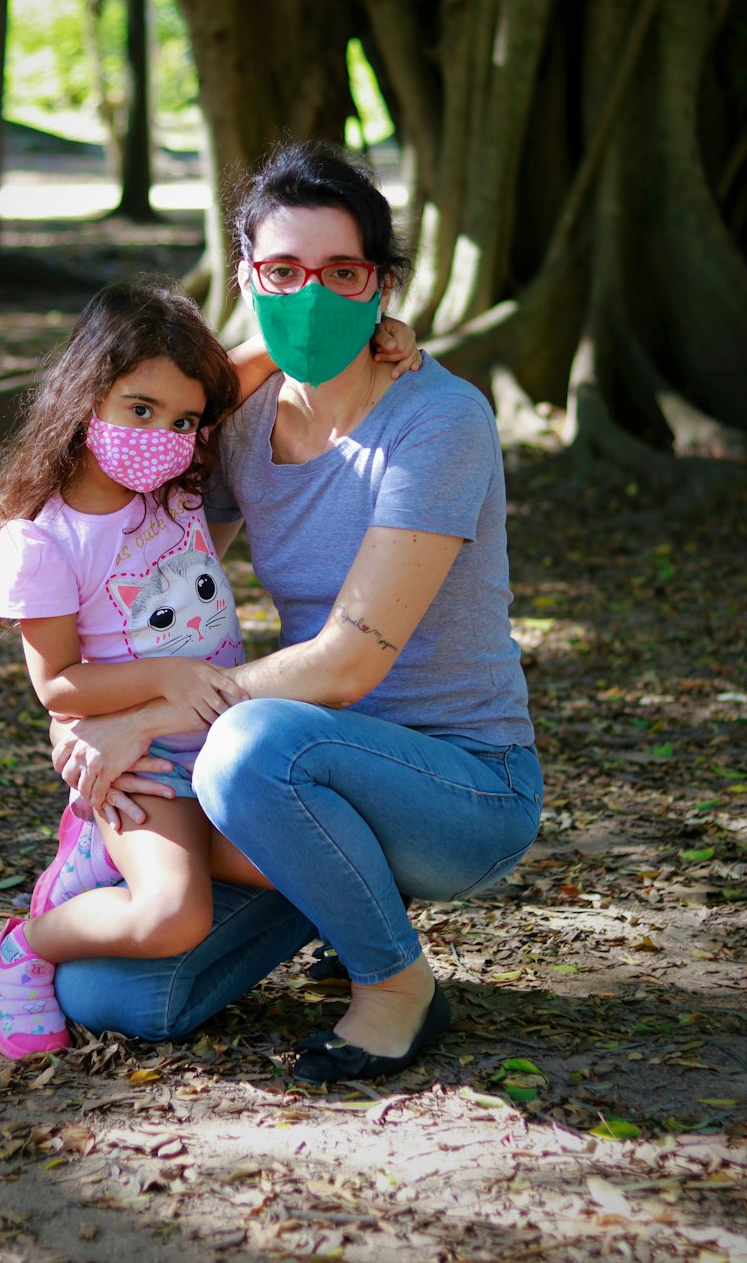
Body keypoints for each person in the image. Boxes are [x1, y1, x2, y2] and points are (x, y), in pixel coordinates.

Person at [49, 141, 543, 1085]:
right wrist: (92, 726)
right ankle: (337, 901)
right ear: (245, 277)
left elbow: (350, 663)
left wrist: (149, 719)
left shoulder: (439, 421)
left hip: (460, 788)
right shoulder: (237, 425)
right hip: (293, 794)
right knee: (116, 999)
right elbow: (134, 566)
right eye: (281, 272)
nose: (310, 295)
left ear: (381, 285)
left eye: (342, 273)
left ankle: (397, 985)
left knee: (247, 744)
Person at [0, 276, 419, 1061]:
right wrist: (167, 680)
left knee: (310, 860)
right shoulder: (42, 541)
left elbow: (223, 383)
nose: (164, 432)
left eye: (184, 422)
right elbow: (56, 683)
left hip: (226, 742)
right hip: (145, 763)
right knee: (175, 916)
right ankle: (25, 948)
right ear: (85, 394)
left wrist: (345, 334)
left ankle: (101, 865)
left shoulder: (171, 479)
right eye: (140, 410)